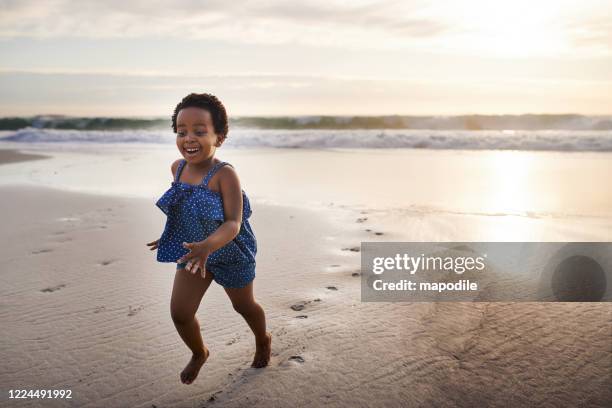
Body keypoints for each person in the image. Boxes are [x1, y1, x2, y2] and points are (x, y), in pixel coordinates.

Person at [146, 93, 271, 385]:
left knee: (243, 306)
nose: (189, 138)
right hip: (194, 251)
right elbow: (183, 209)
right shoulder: (177, 169)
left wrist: (208, 246)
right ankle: (199, 352)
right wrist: (168, 238)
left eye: (200, 132)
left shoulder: (225, 175)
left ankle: (262, 338)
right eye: (182, 131)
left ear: (220, 136)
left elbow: (233, 223)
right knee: (180, 313)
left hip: (230, 252)